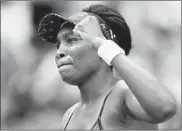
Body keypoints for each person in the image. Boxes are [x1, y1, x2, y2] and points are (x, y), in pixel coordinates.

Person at [38, 4, 176, 130]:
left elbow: (164, 108)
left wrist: (104, 45)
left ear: (101, 47)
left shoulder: (123, 95)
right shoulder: (69, 116)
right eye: (58, 44)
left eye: (71, 40)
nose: (59, 52)